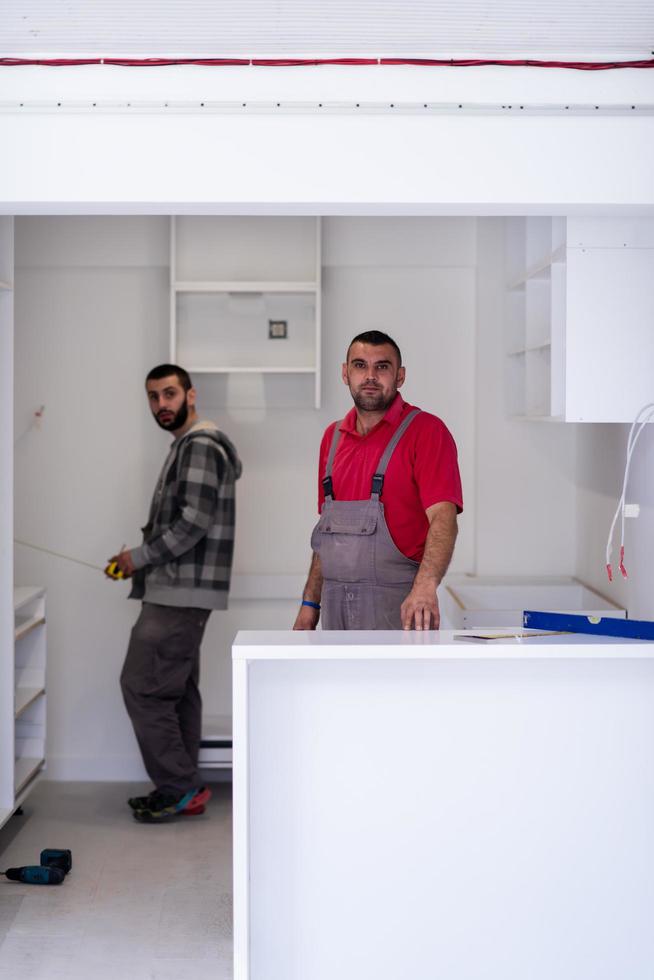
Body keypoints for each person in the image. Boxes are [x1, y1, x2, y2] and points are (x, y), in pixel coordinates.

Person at [112, 364, 242, 823]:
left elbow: (192, 523)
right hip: (181, 591)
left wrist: (139, 557)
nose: (161, 404)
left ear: (191, 395)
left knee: (142, 687)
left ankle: (177, 786)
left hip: (179, 592)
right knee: (176, 691)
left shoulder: (200, 446)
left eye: (169, 394)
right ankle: (183, 788)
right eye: (153, 397)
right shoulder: (188, 446)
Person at [293, 331, 462, 632]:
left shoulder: (426, 432)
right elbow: (327, 535)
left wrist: (425, 587)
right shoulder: (331, 439)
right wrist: (310, 603)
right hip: (335, 610)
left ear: (400, 376)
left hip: (402, 607)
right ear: (345, 373)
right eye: (360, 365)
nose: (370, 376)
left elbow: (443, 517)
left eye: (382, 367)